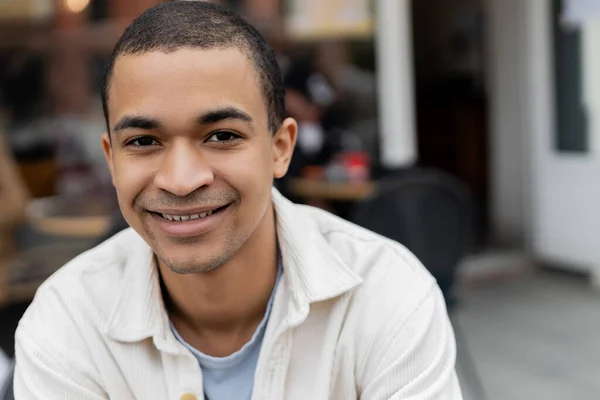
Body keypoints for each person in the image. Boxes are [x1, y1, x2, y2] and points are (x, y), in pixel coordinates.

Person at [14, 2, 462, 399]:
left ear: (280, 148)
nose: (182, 180)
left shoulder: (384, 295)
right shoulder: (66, 321)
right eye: (144, 141)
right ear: (112, 161)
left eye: (222, 135)